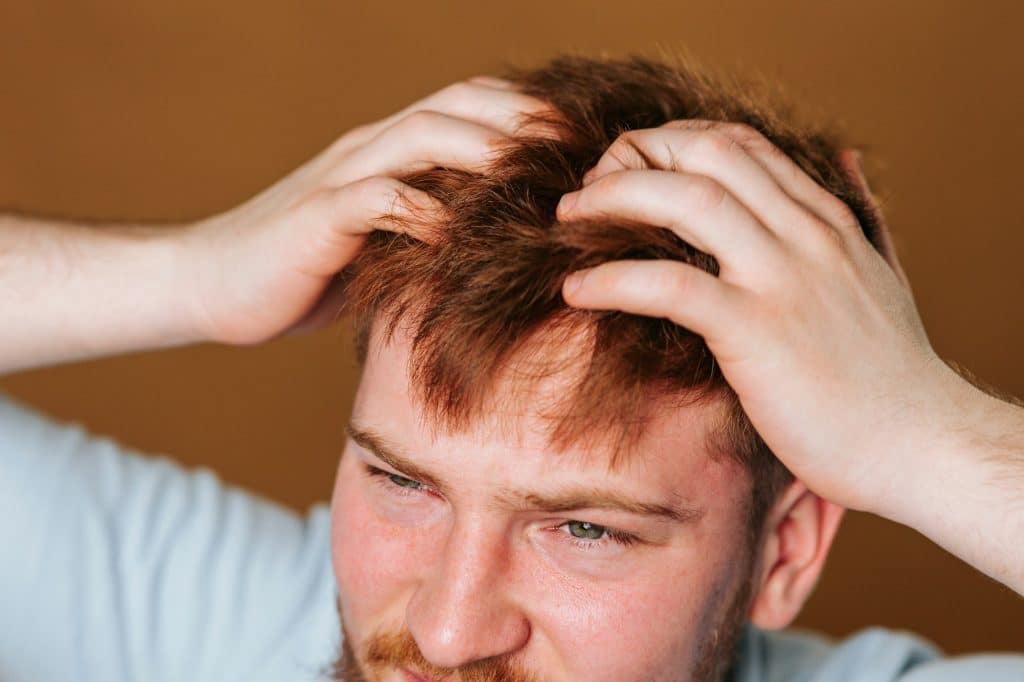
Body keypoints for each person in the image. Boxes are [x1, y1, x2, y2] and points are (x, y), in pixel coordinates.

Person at [0, 55, 1020, 682]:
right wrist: (185, 272)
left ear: (784, 551)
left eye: (584, 528)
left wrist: (920, 440)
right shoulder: (223, 628)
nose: (444, 635)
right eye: (403, 482)